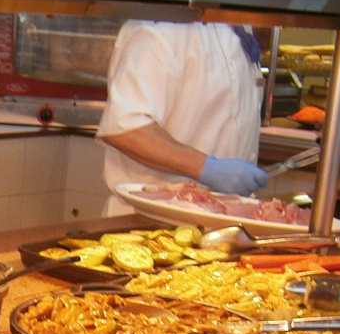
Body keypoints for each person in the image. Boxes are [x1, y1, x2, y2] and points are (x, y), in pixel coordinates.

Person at [96, 20, 268, 216]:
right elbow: (126, 130)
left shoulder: (239, 27)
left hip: (220, 217)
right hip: (151, 218)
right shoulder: (160, 26)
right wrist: (208, 168)